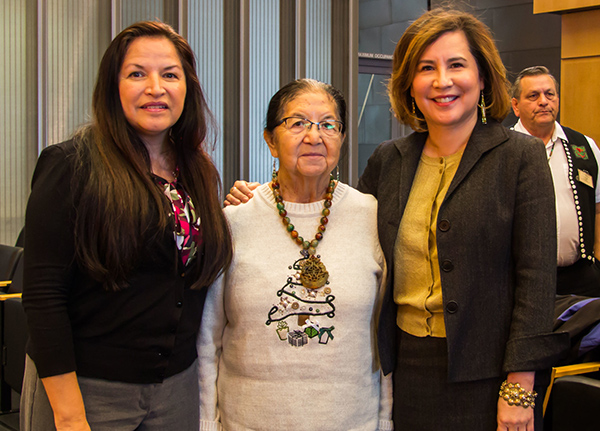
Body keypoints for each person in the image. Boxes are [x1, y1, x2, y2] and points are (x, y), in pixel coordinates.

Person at [227, 9, 567, 431]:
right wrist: (263, 198)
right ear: (410, 85)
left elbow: (536, 279)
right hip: (401, 370)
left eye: (457, 65)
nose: (442, 81)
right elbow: (336, 219)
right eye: (427, 68)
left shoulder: (520, 157)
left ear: (482, 78)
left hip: (489, 374)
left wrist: (519, 386)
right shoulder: (390, 160)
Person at [20, 21, 232, 431]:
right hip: (87, 391)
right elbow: (44, 297)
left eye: (170, 74)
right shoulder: (71, 164)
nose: (156, 87)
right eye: (137, 74)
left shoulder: (196, 169)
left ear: (187, 87)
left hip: (175, 388)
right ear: (112, 87)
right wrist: (68, 416)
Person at [197, 78, 393, 431]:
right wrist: (207, 422)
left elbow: (385, 334)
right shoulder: (233, 221)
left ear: (342, 138)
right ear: (271, 140)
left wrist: (384, 419)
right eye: (298, 123)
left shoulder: (370, 215)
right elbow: (207, 340)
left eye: (328, 125)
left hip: (352, 421)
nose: (314, 136)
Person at [511, 66, 600, 297]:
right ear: (515, 106)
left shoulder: (584, 146)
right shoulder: (501, 150)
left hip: (581, 279)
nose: (543, 101)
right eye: (533, 96)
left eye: (550, 94)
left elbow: (598, 207)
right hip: (519, 281)